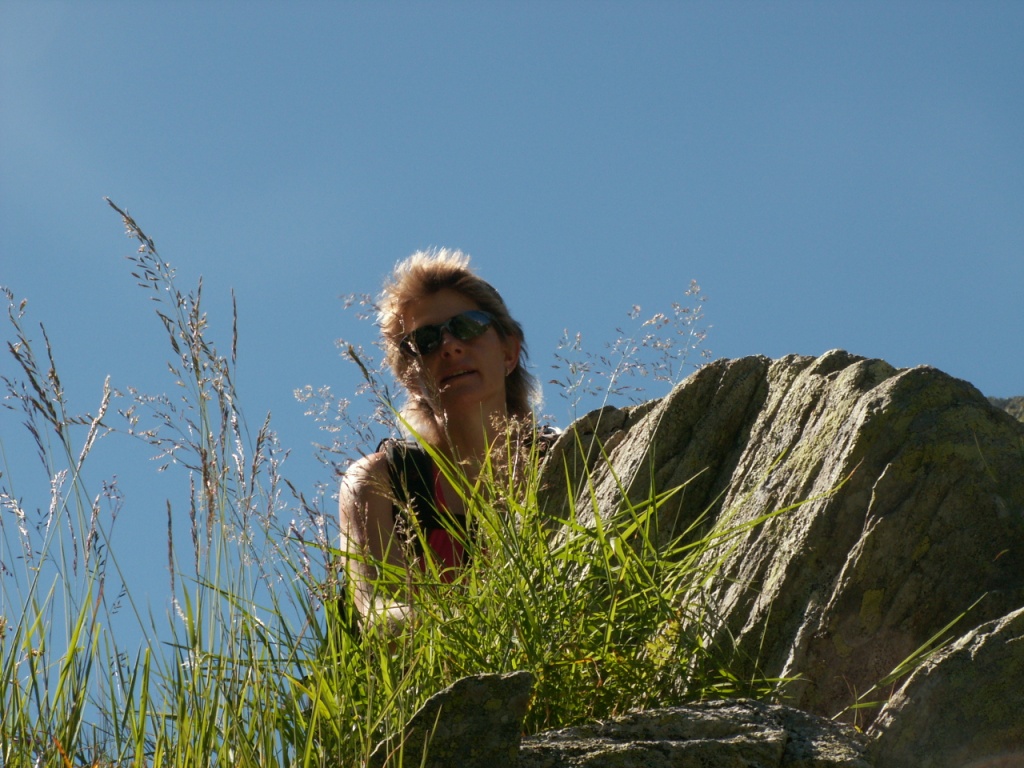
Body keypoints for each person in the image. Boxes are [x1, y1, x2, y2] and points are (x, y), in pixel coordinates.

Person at [338, 248, 542, 634]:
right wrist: (493, 625)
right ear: (410, 378)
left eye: (468, 326)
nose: (449, 345)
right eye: (425, 340)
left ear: (509, 351)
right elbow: (379, 616)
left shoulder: (564, 460)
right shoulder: (384, 481)